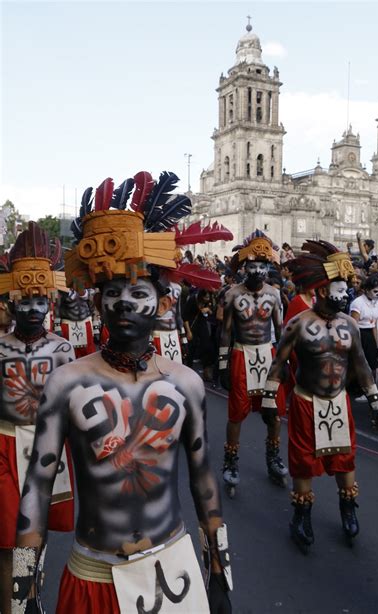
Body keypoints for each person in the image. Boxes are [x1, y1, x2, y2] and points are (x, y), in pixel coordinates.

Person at [12, 172, 232, 613]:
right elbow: (37, 484)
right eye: (112, 293)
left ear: (164, 305)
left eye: (138, 292)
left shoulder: (186, 383)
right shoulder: (67, 382)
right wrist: (23, 588)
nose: (125, 303)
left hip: (173, 570)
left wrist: (221, 571)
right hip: (93, 575)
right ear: (98, 305)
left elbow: (203, 479)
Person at [262, 240, 378, 553]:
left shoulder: (350, 325)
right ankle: (302, 515)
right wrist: (268, 401)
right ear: (323, 290)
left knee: (345, 459)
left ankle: (348, 508)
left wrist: (375, 399)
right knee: (303, 461)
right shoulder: (297, 325)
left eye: (347, 288)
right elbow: (278, 365)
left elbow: (361, 365)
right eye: (340, 288)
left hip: (339, 402)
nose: (346, 294)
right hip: (306, 402)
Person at [0, 223, 75, 614]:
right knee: (8, 533)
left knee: (35, 530)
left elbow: (73, 405)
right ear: (11, 302)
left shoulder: (63, 349)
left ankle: (28, 592)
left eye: (39, 301)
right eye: (24, 301)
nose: (32, 309)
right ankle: (15, 600)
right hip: (5, 445)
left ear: (50, 302)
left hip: (48, 448)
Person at [219, 230, 288, 497]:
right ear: (244, 267)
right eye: (253, 265)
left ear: (269, 267)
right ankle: (231, 462)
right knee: (237, 413)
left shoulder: (274, 295)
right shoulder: (232, 295)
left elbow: (280, 330)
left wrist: (283, 362)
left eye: (263, 265)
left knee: (273, 413)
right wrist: (224, 364)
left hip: (268, 356)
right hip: (240, 355)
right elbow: (225, 331)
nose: (258, 270)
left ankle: (273, 458)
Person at [55, 289, 98, 358]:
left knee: (89, 353)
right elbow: (57, 308)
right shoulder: (62, 291)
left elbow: (94, 310)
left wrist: (96, 328)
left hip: (85, 323)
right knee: (68, 351)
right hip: (67, 324)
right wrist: (57, 327)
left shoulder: (90, 292)